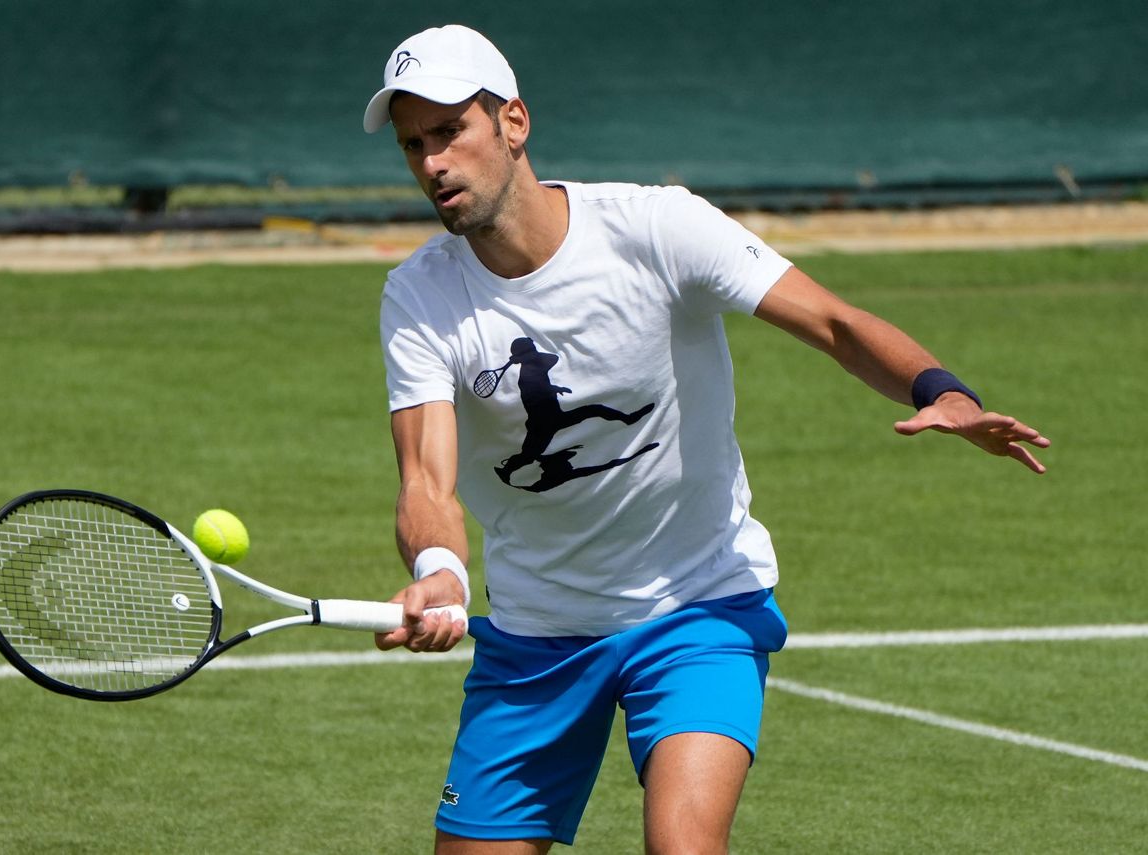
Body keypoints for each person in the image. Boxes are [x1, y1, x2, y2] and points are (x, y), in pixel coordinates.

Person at [363, 24, 1049, 855]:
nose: (432, 162)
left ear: (513, 123)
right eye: (412, 144)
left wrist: (944, 392)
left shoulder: (658, 229)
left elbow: (832, 322)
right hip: (538, 630)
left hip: (699, 607)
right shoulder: (421, 297)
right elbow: (426, 480)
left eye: (449, 132)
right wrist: (438, 571)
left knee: (684, 846)